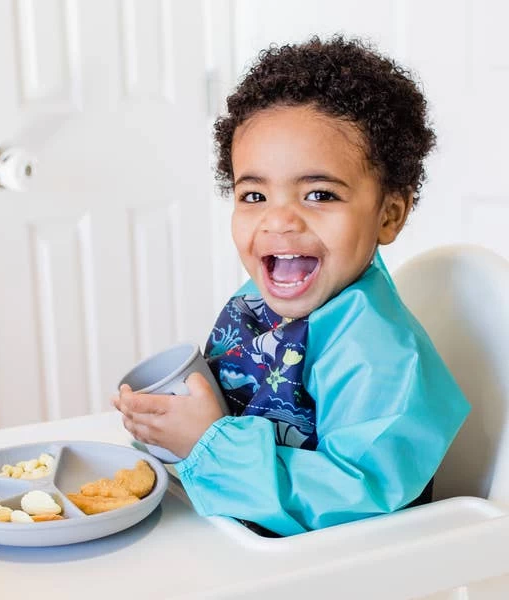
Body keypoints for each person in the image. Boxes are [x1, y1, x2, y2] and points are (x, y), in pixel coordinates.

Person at [113, 35, 470, 537]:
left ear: (389, 215)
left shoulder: (380, 358)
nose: (278, 220)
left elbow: (356, 504)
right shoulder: (258, 299)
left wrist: (209, 445)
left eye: (319, 194)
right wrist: (169, 422)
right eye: (254, 195)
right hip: (236, 538)